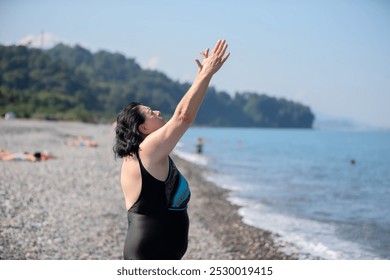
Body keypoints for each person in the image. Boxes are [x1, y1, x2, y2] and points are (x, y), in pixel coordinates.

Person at [113, 39, 230, 260]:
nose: (157, 111)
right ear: (143, 127)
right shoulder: (146, 150)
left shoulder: (146, 153)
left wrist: (201, 77)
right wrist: (206, 74)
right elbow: (183, 117)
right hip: (149, 255)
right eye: (150, 112)